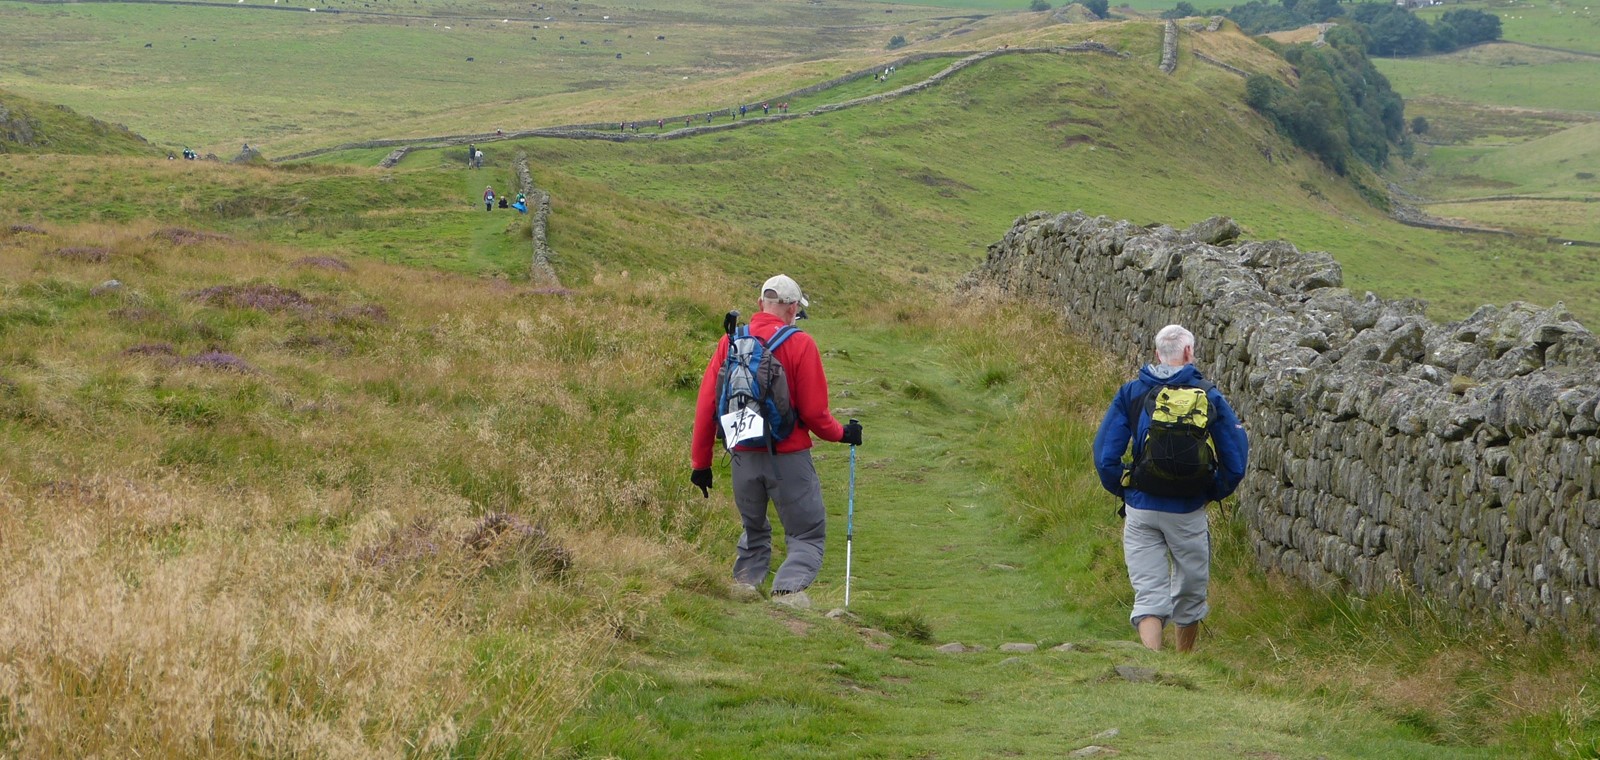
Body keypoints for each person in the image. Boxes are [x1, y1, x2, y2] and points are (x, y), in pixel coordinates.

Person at [691, 275, 863, 610]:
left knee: (753, 530)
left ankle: (743, 591)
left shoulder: (730, 341)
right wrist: (843, 434)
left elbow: (706, 405)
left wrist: (701, 464)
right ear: (793, 308)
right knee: (806, 534)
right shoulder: (801, 344)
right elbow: (815, 414)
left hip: (742, 455)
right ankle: (787, 596)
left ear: (760, 305)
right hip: (788, 457)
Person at [1092, 324, 1247, 653]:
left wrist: (1128, 489)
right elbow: (1235, 461)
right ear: (1189, 353)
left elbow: (1105, 457)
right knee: (1190, 587)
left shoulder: (1132, 393)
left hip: (1141, 508)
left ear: (1156, 354)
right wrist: (1209, 491)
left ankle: (1152, 660)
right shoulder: (1209, 395)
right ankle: (1183, 661)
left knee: (1149, 588)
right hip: (1188, 510)